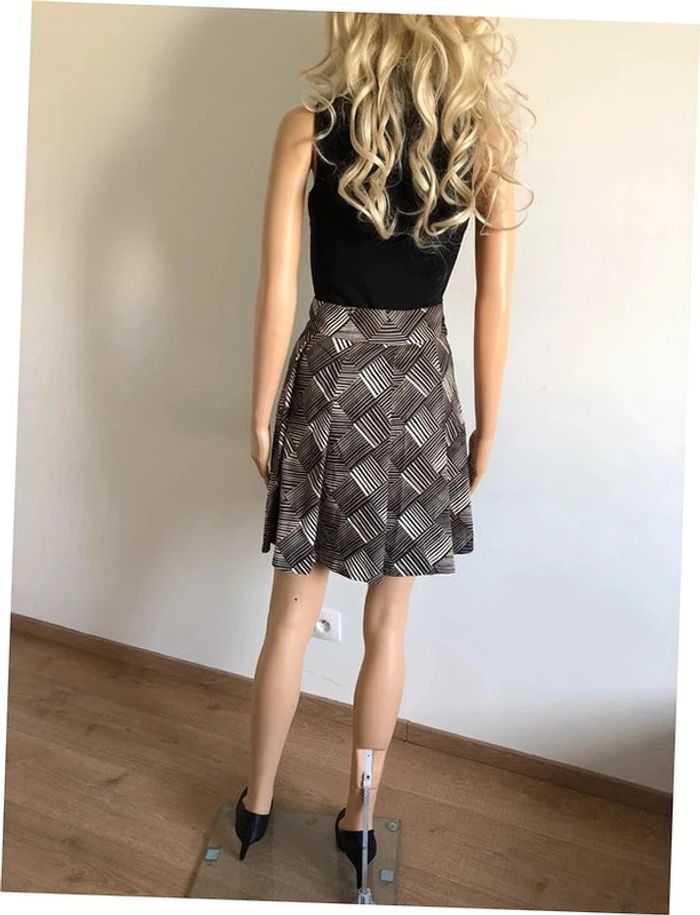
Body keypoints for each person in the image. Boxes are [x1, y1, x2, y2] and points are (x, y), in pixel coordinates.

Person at [238, 12, 531, 889]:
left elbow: (277, 287)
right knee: (388, 624)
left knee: (290, 618)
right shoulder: (482, 142)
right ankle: (360, 822)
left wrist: (260, 409)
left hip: (329, 377)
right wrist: (488, 424)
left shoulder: (308, 129)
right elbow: (494, 305)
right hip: (420, 388)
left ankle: (256, 804)